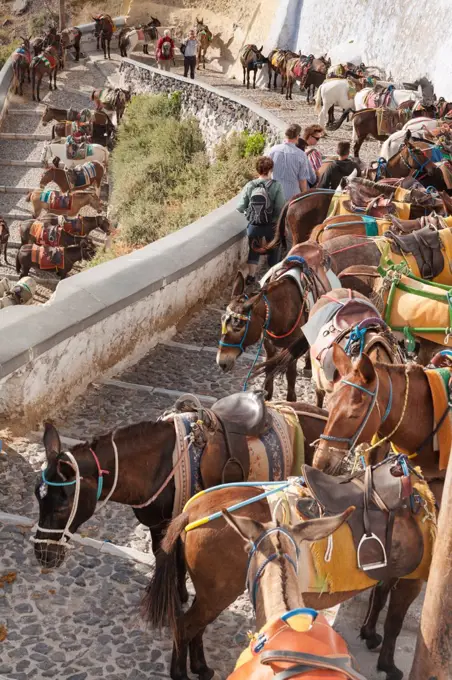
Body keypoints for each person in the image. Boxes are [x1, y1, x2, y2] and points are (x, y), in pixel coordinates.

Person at [237, 156, 285, 285]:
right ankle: (272, 278)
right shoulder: (276, 186)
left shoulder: (250, 185)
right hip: (272, 226)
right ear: (270, 170)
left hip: (254, 225)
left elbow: (240, 207)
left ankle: (251, 276)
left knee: (254, 250)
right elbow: (281, 206)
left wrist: (251, 214)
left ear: (257, 170)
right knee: (274, 250)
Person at [268, 124, 315, 201]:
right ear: (297, 136)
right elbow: (302, 180)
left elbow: (267, 172)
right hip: (293, 197)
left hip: (274, 194)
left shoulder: (273, 150)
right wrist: (305, 198)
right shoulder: (301, 155)